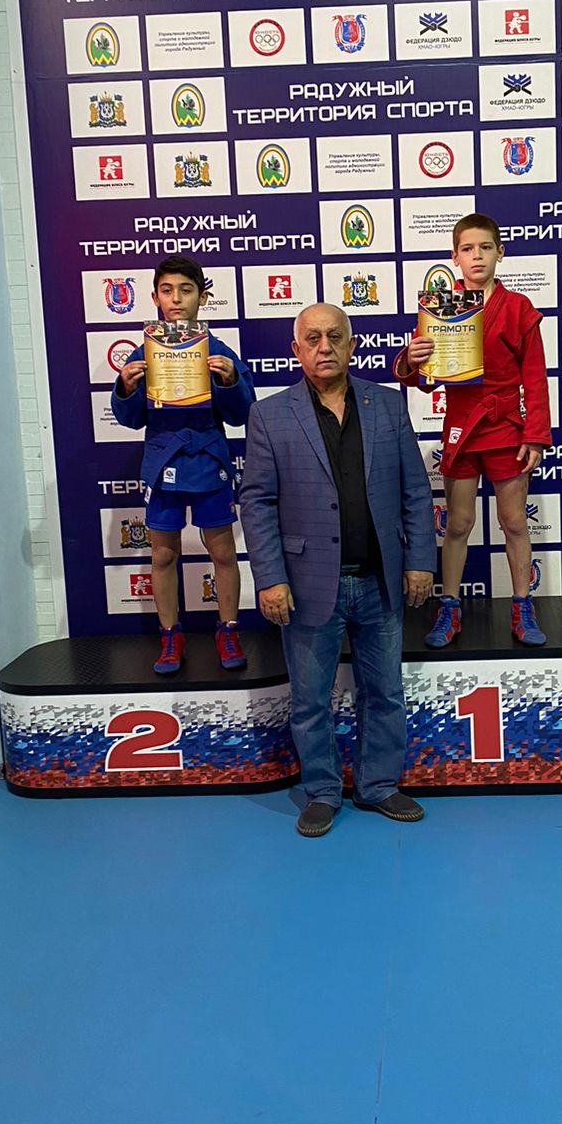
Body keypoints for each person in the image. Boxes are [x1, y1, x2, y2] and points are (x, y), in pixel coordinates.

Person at [239, 304, 436, 838]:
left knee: (385, 692)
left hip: (380, 581)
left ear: (351, 345)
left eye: (334, 336)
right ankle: (322, 792)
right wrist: (270, 577)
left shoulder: (388, 405)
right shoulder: (269, 415)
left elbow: (416, 492)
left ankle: (378, 785)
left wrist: (421, 561)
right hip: (307, 586)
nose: (324, 347)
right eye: (312, 338)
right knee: (309, 701)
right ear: (296, 349)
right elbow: (256, 503)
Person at [394, 212, 552, 648]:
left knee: (514, 521)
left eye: (485, 247)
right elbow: (425, 379)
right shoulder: (441, 307)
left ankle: (522, 605)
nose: (477, 256)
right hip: (462, 425)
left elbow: (535, 377)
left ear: (501, 252)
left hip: (506, 427)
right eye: (467, 249)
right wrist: (412, 358)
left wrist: (535, 434)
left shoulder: (518, 308)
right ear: (455, 257)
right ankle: (449, 607)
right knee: (458, 523)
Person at [111, 254, 255, 673]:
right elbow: (130, 418)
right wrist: (126, 388)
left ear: (202, 298)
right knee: (162, 556)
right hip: (163, 463)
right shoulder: (144, 353)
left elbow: (242, 413)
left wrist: (230, 381)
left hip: (209, 460)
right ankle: (170, 636)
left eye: (186, 290)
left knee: (223, 552)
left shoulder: (218, 350)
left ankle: (228, 630)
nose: (176, 299)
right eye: (168, 290)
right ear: (155, 297)